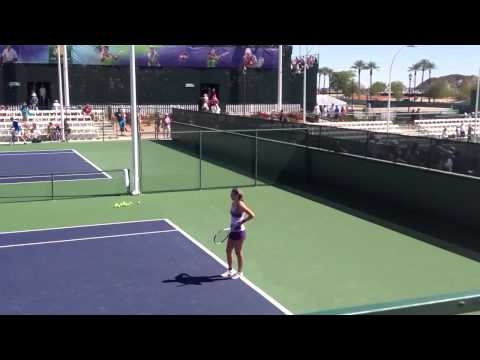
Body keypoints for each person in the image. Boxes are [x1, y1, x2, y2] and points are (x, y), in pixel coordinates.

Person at [221, 188, 255, 280]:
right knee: (228, 250)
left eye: (232, 194)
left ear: (236, 195)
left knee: (238, 252)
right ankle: (230, 270)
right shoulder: (233, 203)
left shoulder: (240, 204)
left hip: (240, 232)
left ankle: (240, 272)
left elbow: (252, 215)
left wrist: (241, 222)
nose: (230, 196)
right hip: (232, 231)